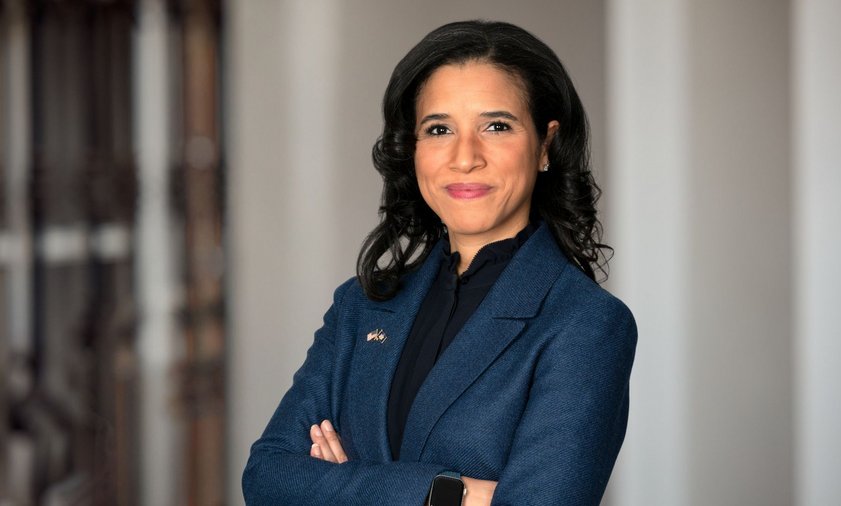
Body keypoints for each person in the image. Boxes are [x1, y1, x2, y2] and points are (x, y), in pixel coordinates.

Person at [242, 20, 637, 506]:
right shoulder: (360, 305)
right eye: (439, 129)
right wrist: (447, 493)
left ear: (545, 145)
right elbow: (268, 476)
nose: (464, 157)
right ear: (412, 149)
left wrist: (340, 486)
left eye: (496, 126)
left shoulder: (586, 323)